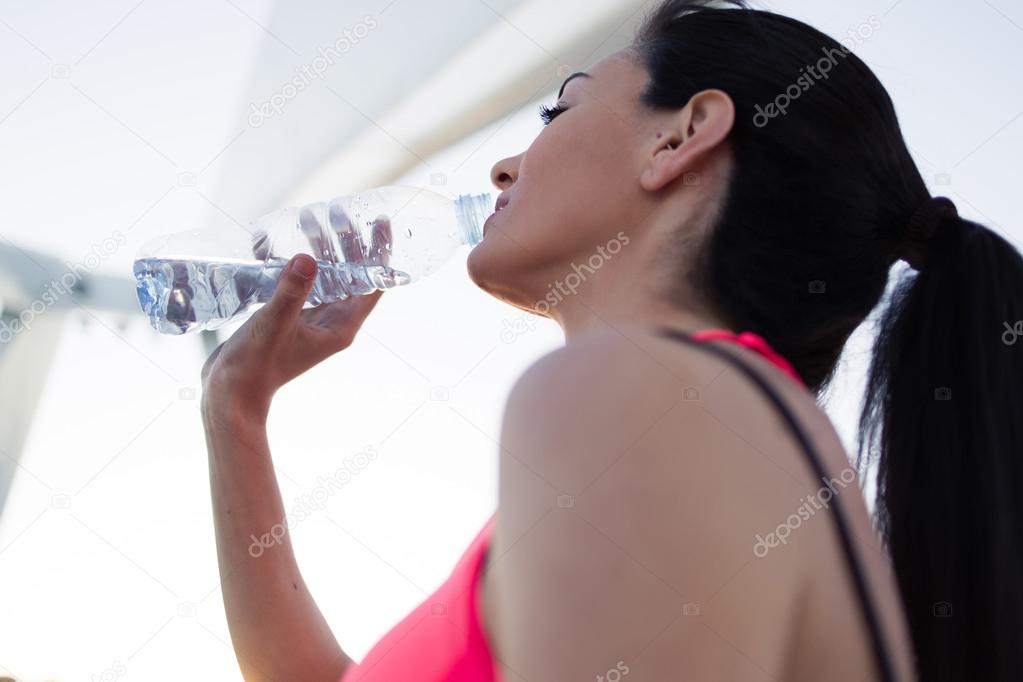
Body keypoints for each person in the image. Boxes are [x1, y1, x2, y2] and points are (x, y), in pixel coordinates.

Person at [199, 1, 1023, 680]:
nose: (502, 169)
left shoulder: (642, 396)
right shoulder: (697, 421)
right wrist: (235, 414)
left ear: (679, 137)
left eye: (558, 107)